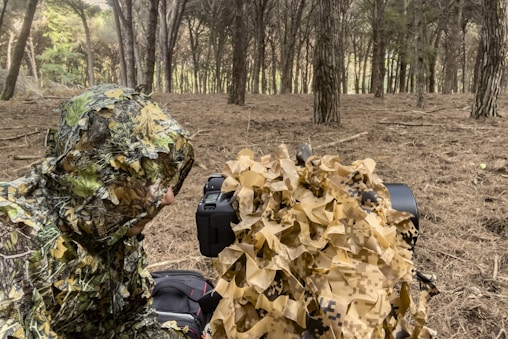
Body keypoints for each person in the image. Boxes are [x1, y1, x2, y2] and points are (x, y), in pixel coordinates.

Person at [0, 84, 194, 338]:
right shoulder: (14, 239)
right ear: (95, 179)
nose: (168, 198)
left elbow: (132, 323)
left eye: (165, 179)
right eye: (145, 180)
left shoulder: (109, 225)